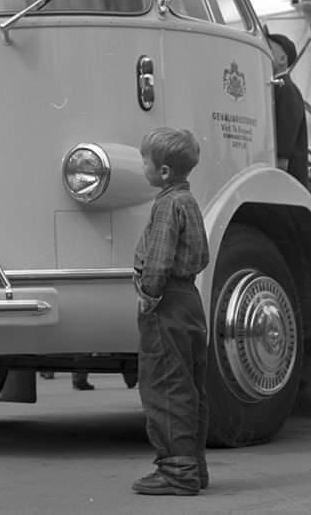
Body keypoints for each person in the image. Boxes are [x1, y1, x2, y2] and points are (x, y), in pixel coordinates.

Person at [131, 127, 209, 497]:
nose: (141, 164)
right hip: (191, 301)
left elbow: (159, 259)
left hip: (168, 303)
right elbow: (203, 254)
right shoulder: (190, 202)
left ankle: (177, 471)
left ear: (163, 171)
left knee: (165, 384)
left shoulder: (166, 205)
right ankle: (195, 465)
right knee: (191, 386)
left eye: (145, 160)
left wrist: (148, 294)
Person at [267, 32, 309, 188]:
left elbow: (285, 134)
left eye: (268, 49)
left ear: (283, 59)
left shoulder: (286, 89)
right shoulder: (278, 87)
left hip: (289, 179)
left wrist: (279, 173)